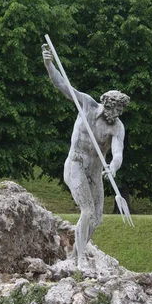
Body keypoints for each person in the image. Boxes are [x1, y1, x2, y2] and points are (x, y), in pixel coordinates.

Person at [42, 45, 130, 267]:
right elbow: (62, 85)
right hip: (76, 165)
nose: (117, 115)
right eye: (115, 109)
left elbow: (118, 152)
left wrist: (113, 166)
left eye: (121, 111)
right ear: (107, 104)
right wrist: (49, 63)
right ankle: (80, 260)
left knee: (97, 218)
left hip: (95, 171)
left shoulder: (117, 127)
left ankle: (74, 254)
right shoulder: (87, 105)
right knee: (87, 210)